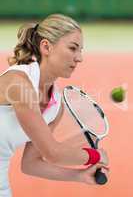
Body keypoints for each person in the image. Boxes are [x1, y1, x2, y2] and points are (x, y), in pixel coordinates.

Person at [0, 14, 109, 196]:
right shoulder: (18, 83)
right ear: (46, 47)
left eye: (81, 50)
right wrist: (96, 155)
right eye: (73, 48)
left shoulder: (55, 106)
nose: (79, 58)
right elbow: (53, 152)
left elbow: (31, 164)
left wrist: (79, 175)